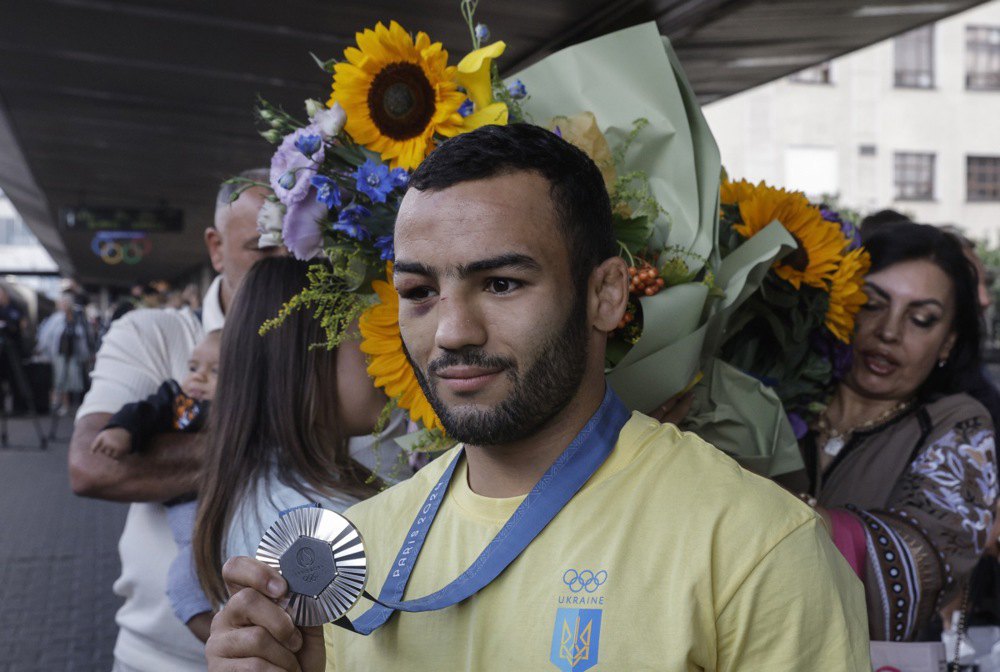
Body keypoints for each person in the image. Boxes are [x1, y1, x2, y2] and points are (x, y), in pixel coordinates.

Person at [208, 124, 870, 671]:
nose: (452, 332)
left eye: (500, 284)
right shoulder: (358, 554)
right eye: (419, 292)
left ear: (606, 294)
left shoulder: (757, 548)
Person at [68, 168, 281, 670]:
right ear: (215, 247)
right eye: (263, 248)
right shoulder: (152, 335)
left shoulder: (351, 351)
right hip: (159, 659)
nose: (285, 266)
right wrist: (289, 443)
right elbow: (93, 467)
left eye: (301, 246)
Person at [787, 222, 998, 642]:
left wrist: (771, 512)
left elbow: (923, 561)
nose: (889, 331)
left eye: (921, 319)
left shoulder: (959, 424)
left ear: (948, 343)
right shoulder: (775, 400)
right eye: (871, 303)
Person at [192, 257, 387, 606]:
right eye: (369, 337)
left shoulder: (271, 486)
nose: (384, 358)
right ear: (308, 363)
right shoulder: (321, 529)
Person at [89, 329, 221, 640]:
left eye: (215, 371)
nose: (198, 378)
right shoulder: (178, 403)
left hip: (240, 508)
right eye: (193, 367)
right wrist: (122, 431)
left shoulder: (247, 405)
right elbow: (144, 411)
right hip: (193, 511)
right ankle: (221, 638)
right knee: (183, 581)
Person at [37, 292, 92, 415]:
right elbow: (47, 336)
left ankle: (69, 404)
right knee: (59, 380)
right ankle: (60, 403)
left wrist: (86, 353)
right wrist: (43, 350)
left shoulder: (77, 318)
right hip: (60, 354)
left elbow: (83, 336)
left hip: (73, 354)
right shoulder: (56, 319)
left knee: (72, 381)